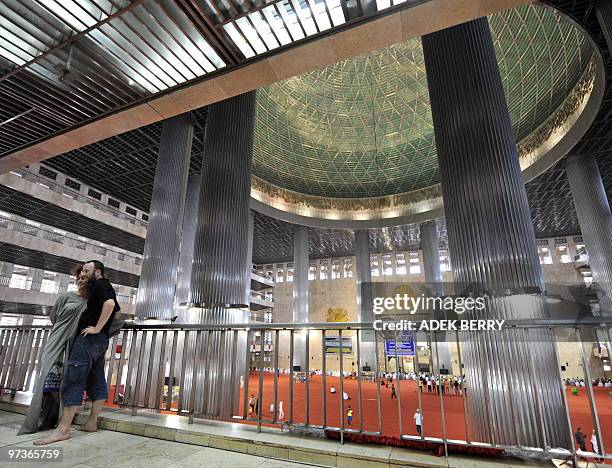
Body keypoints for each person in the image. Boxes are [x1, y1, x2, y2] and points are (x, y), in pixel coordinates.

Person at [34, 261, 119, 445]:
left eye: (87, 270)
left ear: (97, 271)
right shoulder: (106, 286)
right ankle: (92, 422)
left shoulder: (100, 284)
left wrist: (96, 328)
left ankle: (63, 429)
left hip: (88, 339)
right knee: (97, 379)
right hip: (100, 341)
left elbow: (110, 305)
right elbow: (117, 313)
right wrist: (102, 330)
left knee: (74, 378)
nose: (84, 273)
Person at [18, 267, 92, 435]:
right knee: (47, 379)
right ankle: (44, 417)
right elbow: (54, 316)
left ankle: (57, 420)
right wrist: (64, 328)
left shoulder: (91, 301)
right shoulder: (66, 296)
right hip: (55, 340)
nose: (80, 280)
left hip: (73, 344)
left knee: (65, 381)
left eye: (84, 278)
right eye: (78, 278)